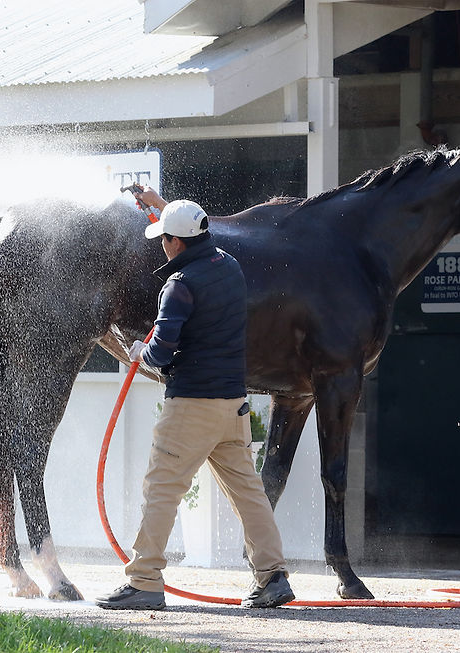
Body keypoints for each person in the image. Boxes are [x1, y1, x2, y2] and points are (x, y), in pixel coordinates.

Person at [96, 187, 294, 610]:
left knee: (161, 488)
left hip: (191, 406)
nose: (162, 249)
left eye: (164, 240)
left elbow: (161, 352)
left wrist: (138, 352)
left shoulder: (179, 285)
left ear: (177, 242)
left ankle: (144, 580)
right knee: (248, 492)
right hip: (232, 405)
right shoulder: (231, 268)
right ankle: (273, 576)